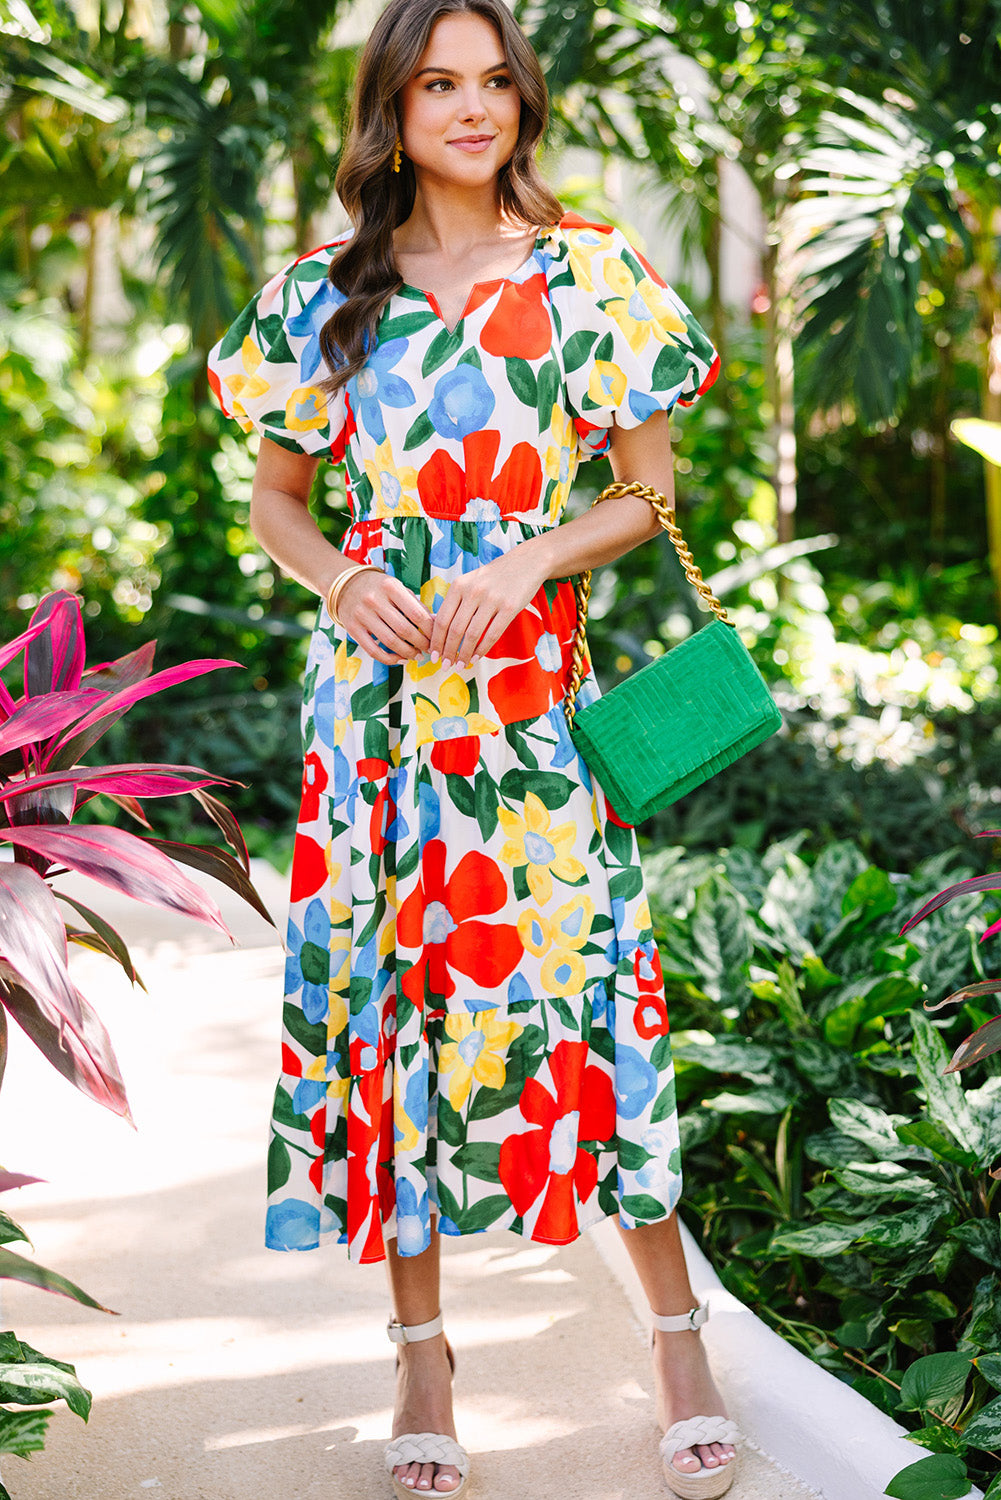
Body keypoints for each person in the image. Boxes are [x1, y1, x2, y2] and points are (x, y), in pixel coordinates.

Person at [207, 1, 741, 1495]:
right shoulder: (320, 294)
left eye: (495, 80)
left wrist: (526, 559)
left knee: (587, 987)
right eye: (438, 82)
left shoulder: (591, 273)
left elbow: (647, 497)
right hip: (374, 716)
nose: (471, 107)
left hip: (528, 708)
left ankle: (678, 1342)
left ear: (523, 99)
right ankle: (421, 1361)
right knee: (395, 1008)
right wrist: (342, 580)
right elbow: (276, 504)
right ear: (392, 107)